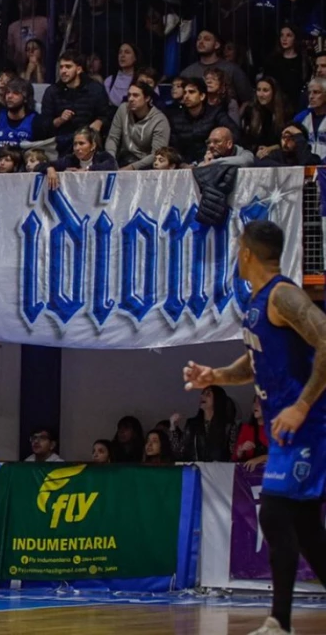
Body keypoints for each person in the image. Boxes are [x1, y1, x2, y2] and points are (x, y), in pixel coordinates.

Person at [183, 220, 326, 635]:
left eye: (237, 248)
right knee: (305, 531)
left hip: (308, 426)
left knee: (277, 513)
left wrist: (301, 406)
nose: (235, 254)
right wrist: (216, 376)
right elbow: (255, 361)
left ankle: (278, 623)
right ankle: (278, 621)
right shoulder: (258, 303)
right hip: (285, 431)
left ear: (247, 253)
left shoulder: (284, 294)